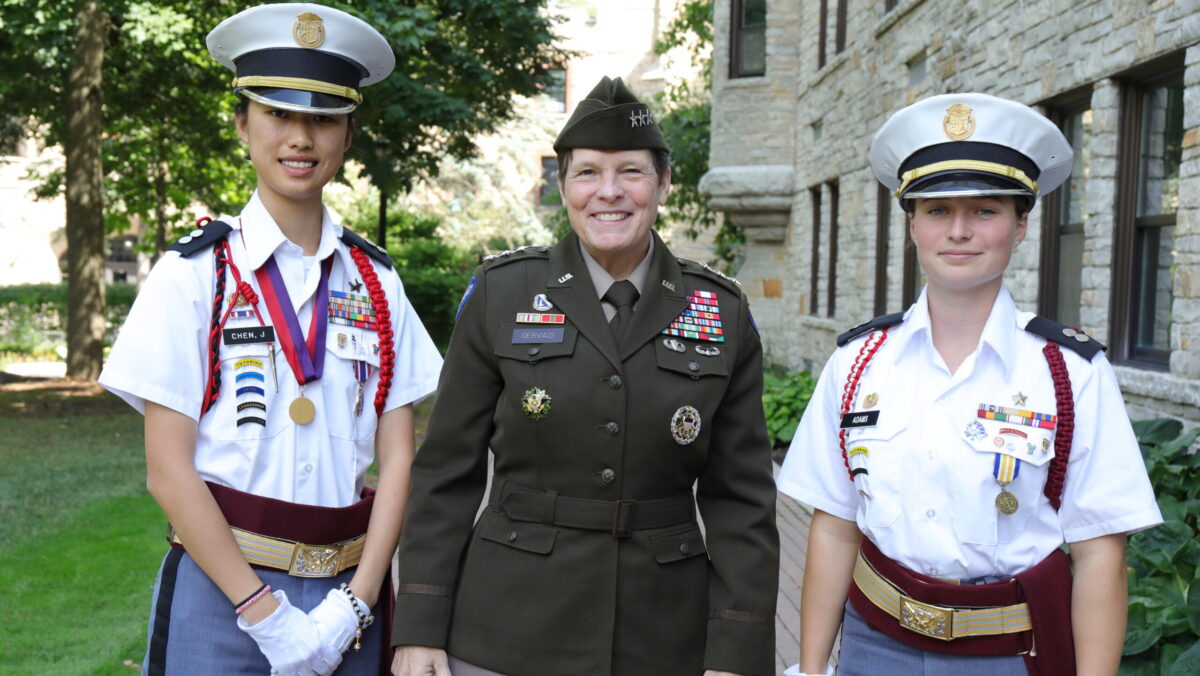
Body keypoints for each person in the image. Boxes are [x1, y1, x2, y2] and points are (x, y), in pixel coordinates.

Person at [389, 76, 779, 676]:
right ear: (564, 185)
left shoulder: (721, 312)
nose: (609, 193)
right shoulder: (503, 292)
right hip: (506, 627)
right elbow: (446, 472)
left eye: (631, 172)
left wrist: (735, 652)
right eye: (588, 173)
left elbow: (741, 501)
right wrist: (418, 627)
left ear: (663, 183)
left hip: (663, 634)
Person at [98, 4, 442, 674]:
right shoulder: (194, 275)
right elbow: (168, 471)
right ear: (242, 125)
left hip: (349, 600)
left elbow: (400, 459)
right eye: (278, 113)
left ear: (347, 134)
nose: (300, 137)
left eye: (322, 117)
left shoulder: (378, 283)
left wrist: (360, 601)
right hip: (222, 598)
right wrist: (265, 614)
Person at [777, 92, 1162, 676]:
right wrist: (809, 670)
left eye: (985, 210)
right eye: (936, 210)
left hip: (1011, 652)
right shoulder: (858, 364)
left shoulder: (1069, 372)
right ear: (912, 224)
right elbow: (834, 526)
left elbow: (1099, 551)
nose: (959, 231)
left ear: (1021, 225)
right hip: (875, 644)